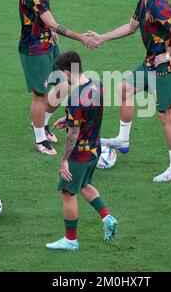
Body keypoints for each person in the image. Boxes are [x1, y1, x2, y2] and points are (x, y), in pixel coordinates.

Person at [88, 0, 171, 182]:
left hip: (165, 69)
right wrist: (102, 37)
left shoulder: (158, 6)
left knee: (166, 117)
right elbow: (131, 27)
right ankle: (123, 140)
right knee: (124, 89)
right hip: (149, 63)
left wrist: (169, 55)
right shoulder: (143, 3)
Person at [19, 0, 97, 156]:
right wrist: (80, 36)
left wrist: (49, 30)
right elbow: (52, 23)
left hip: (48, 44)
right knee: (40, 95)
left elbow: (45, 16)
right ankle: (39, 140)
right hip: (34, 49)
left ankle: (42, 124)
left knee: (63, 84)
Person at [45, 51, 117, 251]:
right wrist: (67, 118)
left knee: (67, 192)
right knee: (84, 183)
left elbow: (73, 134)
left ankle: (71, 240)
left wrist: (64, 160)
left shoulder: (75, 97)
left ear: (68, 72)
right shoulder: (96, 84)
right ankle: (107, 217)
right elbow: (89, 116)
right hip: (95, 149)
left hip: (79, 153)